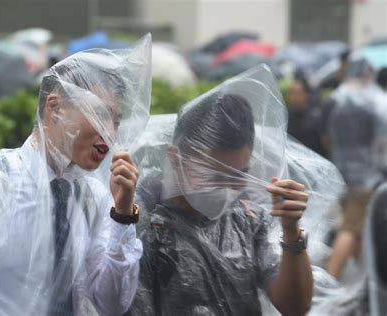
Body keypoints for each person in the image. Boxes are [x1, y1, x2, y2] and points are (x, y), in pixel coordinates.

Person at [0, 35, 152, 315]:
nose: (110, 135)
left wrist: (123, 215)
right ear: (54, 108)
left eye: (116, 122)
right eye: (100, 115)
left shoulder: (95, 200)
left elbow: (111, 304)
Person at [128, 65, 313, 315]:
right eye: (214, 176)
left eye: (238, 176)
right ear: (175, 159)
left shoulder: (245, 219)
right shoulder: (142, 222)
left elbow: (295, 307)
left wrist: (292, 233)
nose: (227, 190)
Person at [326, 55, 384, 280]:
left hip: (341, 172)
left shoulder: (336, 97)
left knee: (360, 228)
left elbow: (326, 136)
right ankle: (330, 280)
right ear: (367, 73)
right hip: (367, 176)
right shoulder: (375, 101)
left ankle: (366, 282)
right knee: (350, 228)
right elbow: (383, 142)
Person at [286, 76, 325, 157]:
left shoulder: (316, 118)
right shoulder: (287, 117)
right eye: (291, 93)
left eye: (297, 93)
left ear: (306, 94)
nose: (293, 97)